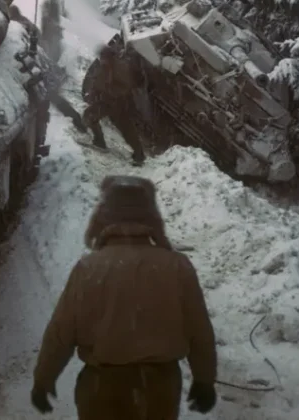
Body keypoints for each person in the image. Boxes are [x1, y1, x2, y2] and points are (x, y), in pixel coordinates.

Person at [31, 174, 218, 419]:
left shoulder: (89, 269)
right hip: (158, 391)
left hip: (102, 392)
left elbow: (61, 332)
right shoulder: (177, 267)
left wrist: (44, 379)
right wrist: (204, 380)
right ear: (152, 216)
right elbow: (199, 330)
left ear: (103, 217)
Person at [81, 43, 146, 165]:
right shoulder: (104, 67)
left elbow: (125, 86)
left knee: (127, 130)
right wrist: (94, 93)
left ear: (110, 57)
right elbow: (98, 81)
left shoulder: (120, 67)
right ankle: (100, 142)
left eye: (104, 57)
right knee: (90, 115)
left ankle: (139, 155)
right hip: (106, 102)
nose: (102, 60)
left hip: (119, 104)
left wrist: (108, 92)